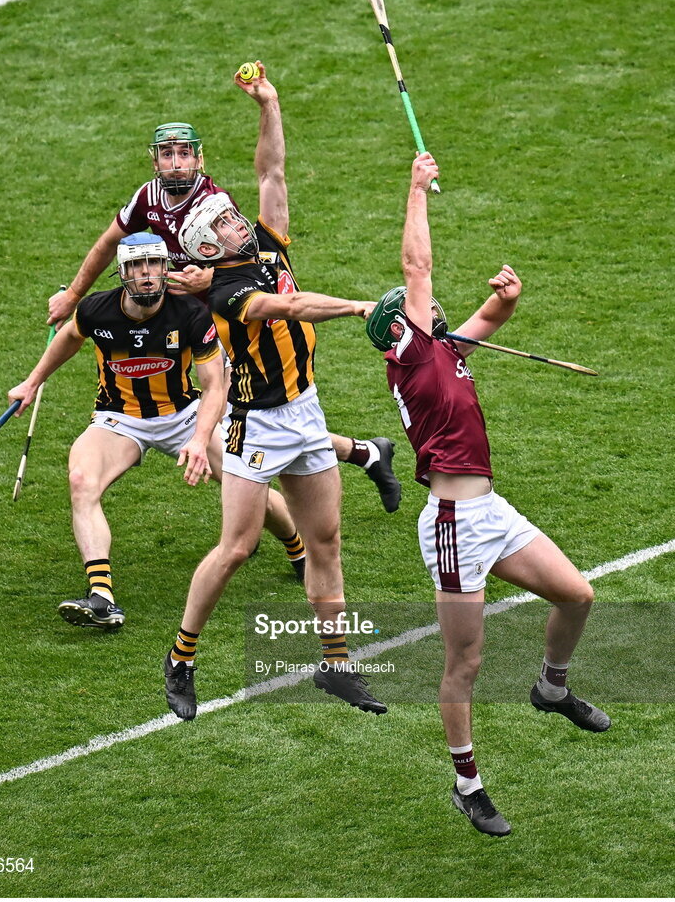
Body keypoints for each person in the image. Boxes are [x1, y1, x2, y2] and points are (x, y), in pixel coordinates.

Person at [366, 151, 610, 838]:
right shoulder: (411, 356)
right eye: (422, 310)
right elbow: (417, 268)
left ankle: (551, 688)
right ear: (398, 328)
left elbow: (490, 316)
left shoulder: (441, 350)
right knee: (464, 664)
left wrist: (507, 295)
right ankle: (467, 784)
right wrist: (416, 188)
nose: (434, 309)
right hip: (452, 523)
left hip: (490, 512)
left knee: (577, 594)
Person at [45, 90, 402, 514]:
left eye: (183, 154)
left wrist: (206, 277)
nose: (175, 163)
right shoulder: (148, 198)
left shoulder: (213, 208)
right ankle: (364, 455)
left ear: (199, 159)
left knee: (249, 415)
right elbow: (109, 243)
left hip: (229, 319)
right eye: (166, 155)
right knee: (253, 415)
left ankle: (274, 523)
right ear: (154, 160)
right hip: (201, 318)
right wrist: (72, 293)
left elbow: (239, 263)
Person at [163, 62, 387, 720]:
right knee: (236, 548)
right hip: (255, 424)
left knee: (326, 543)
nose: (241, 220)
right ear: (210, 246)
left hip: (304, 409)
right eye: (228, 222)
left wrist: (270, 103)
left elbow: (271, 172)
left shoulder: (263, 243)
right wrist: (353, 307)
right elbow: (288, 311)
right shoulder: (230, 292)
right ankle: (181, 656)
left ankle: (337, 664)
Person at [9, 232, 311, 629]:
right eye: (137, 266)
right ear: (122, 272)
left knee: (248, 484)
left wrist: (201, 441)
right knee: (82, 479)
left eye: (153, 264)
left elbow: (216, 386)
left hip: (184, 414)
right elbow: (68, 338)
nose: (147, 274)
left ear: (164, 268)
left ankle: (298, 551)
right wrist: (31, 382)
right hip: (119, 419)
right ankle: (102, 597)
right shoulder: (97, 310)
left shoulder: (189, 313)